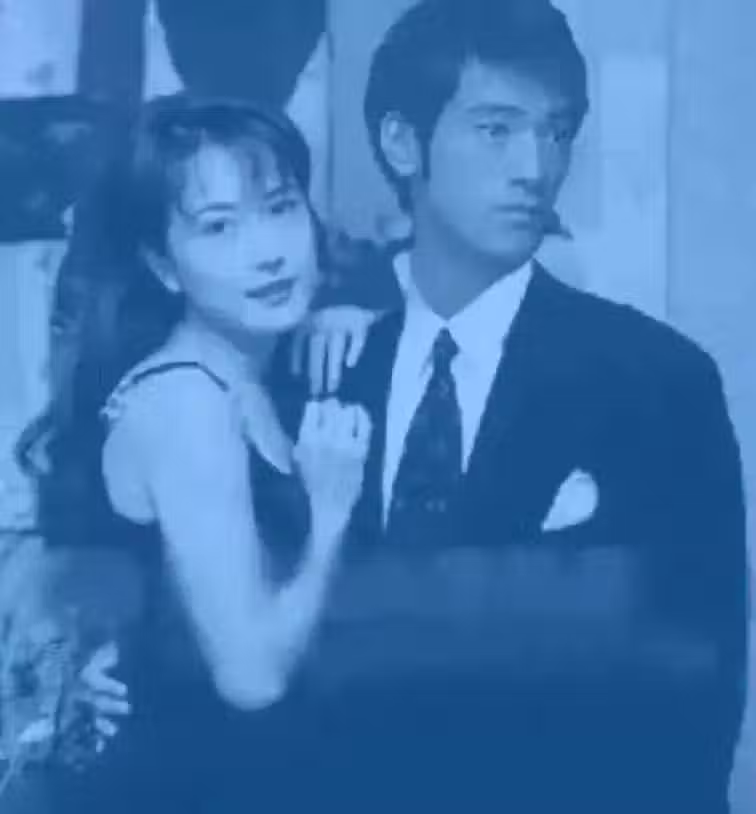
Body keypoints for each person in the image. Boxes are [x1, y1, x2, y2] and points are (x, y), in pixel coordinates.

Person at [327, 0, 746, 812]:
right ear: (402, 142)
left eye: (556, 132)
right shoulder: (331, 371)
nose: (536, 167)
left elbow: (696, 688)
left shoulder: (657, 382)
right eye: (496, 130)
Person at [17, 94, 370, 813]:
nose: (266, 251)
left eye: (280, 208)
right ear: (164, 266)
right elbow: (252, 678)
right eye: (219, 226)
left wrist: (357, 316)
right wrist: (330, 515)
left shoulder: (254, 379)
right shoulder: (186, 404)